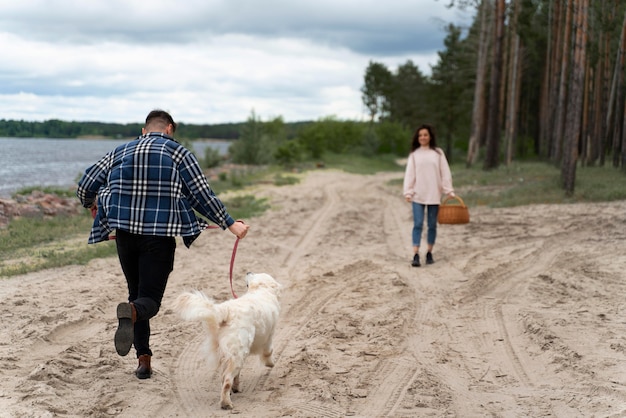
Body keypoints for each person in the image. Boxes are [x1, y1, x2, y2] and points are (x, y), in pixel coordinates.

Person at [76, 109, 249, 379]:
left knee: (136, 291)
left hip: (125, 236)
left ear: (145, 130)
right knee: (149, 300)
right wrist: (230, 224)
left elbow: (86, 183)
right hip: (159, 237)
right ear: (169, 129)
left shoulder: (121, 151)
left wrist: (92, 204)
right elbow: (202, 194)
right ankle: (132, 314)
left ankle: (143, 360)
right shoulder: (178, 153)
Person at [403, 124, 454, 267]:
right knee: (418, 224)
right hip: (418, 195)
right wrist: (408, 191)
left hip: (434, 194)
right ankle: (415, 254)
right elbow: (409, 175)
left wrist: (448, 190)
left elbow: (445, 172)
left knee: (432, 225)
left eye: (425, 135)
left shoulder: (438, 153)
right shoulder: (414, 154)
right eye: (420, 135)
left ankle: (429, 252)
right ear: (417, 138)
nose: (423, 137)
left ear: (430, 136)